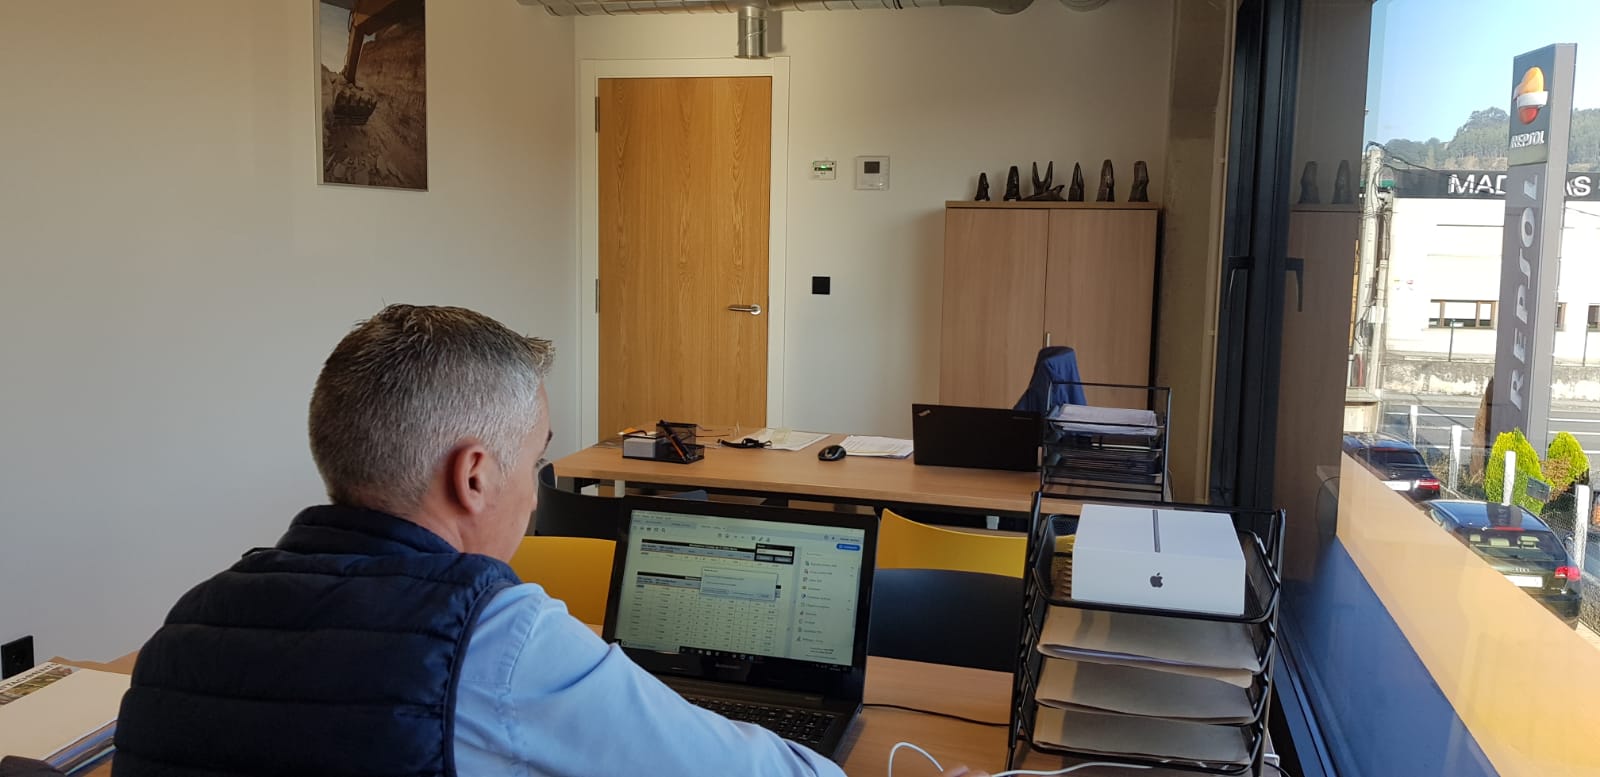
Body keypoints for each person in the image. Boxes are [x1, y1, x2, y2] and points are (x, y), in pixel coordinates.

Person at [112, 304, 985, 777]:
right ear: (475, 475)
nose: (537, 495)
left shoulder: (187, 622)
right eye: (536, 460)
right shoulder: (496, 638)